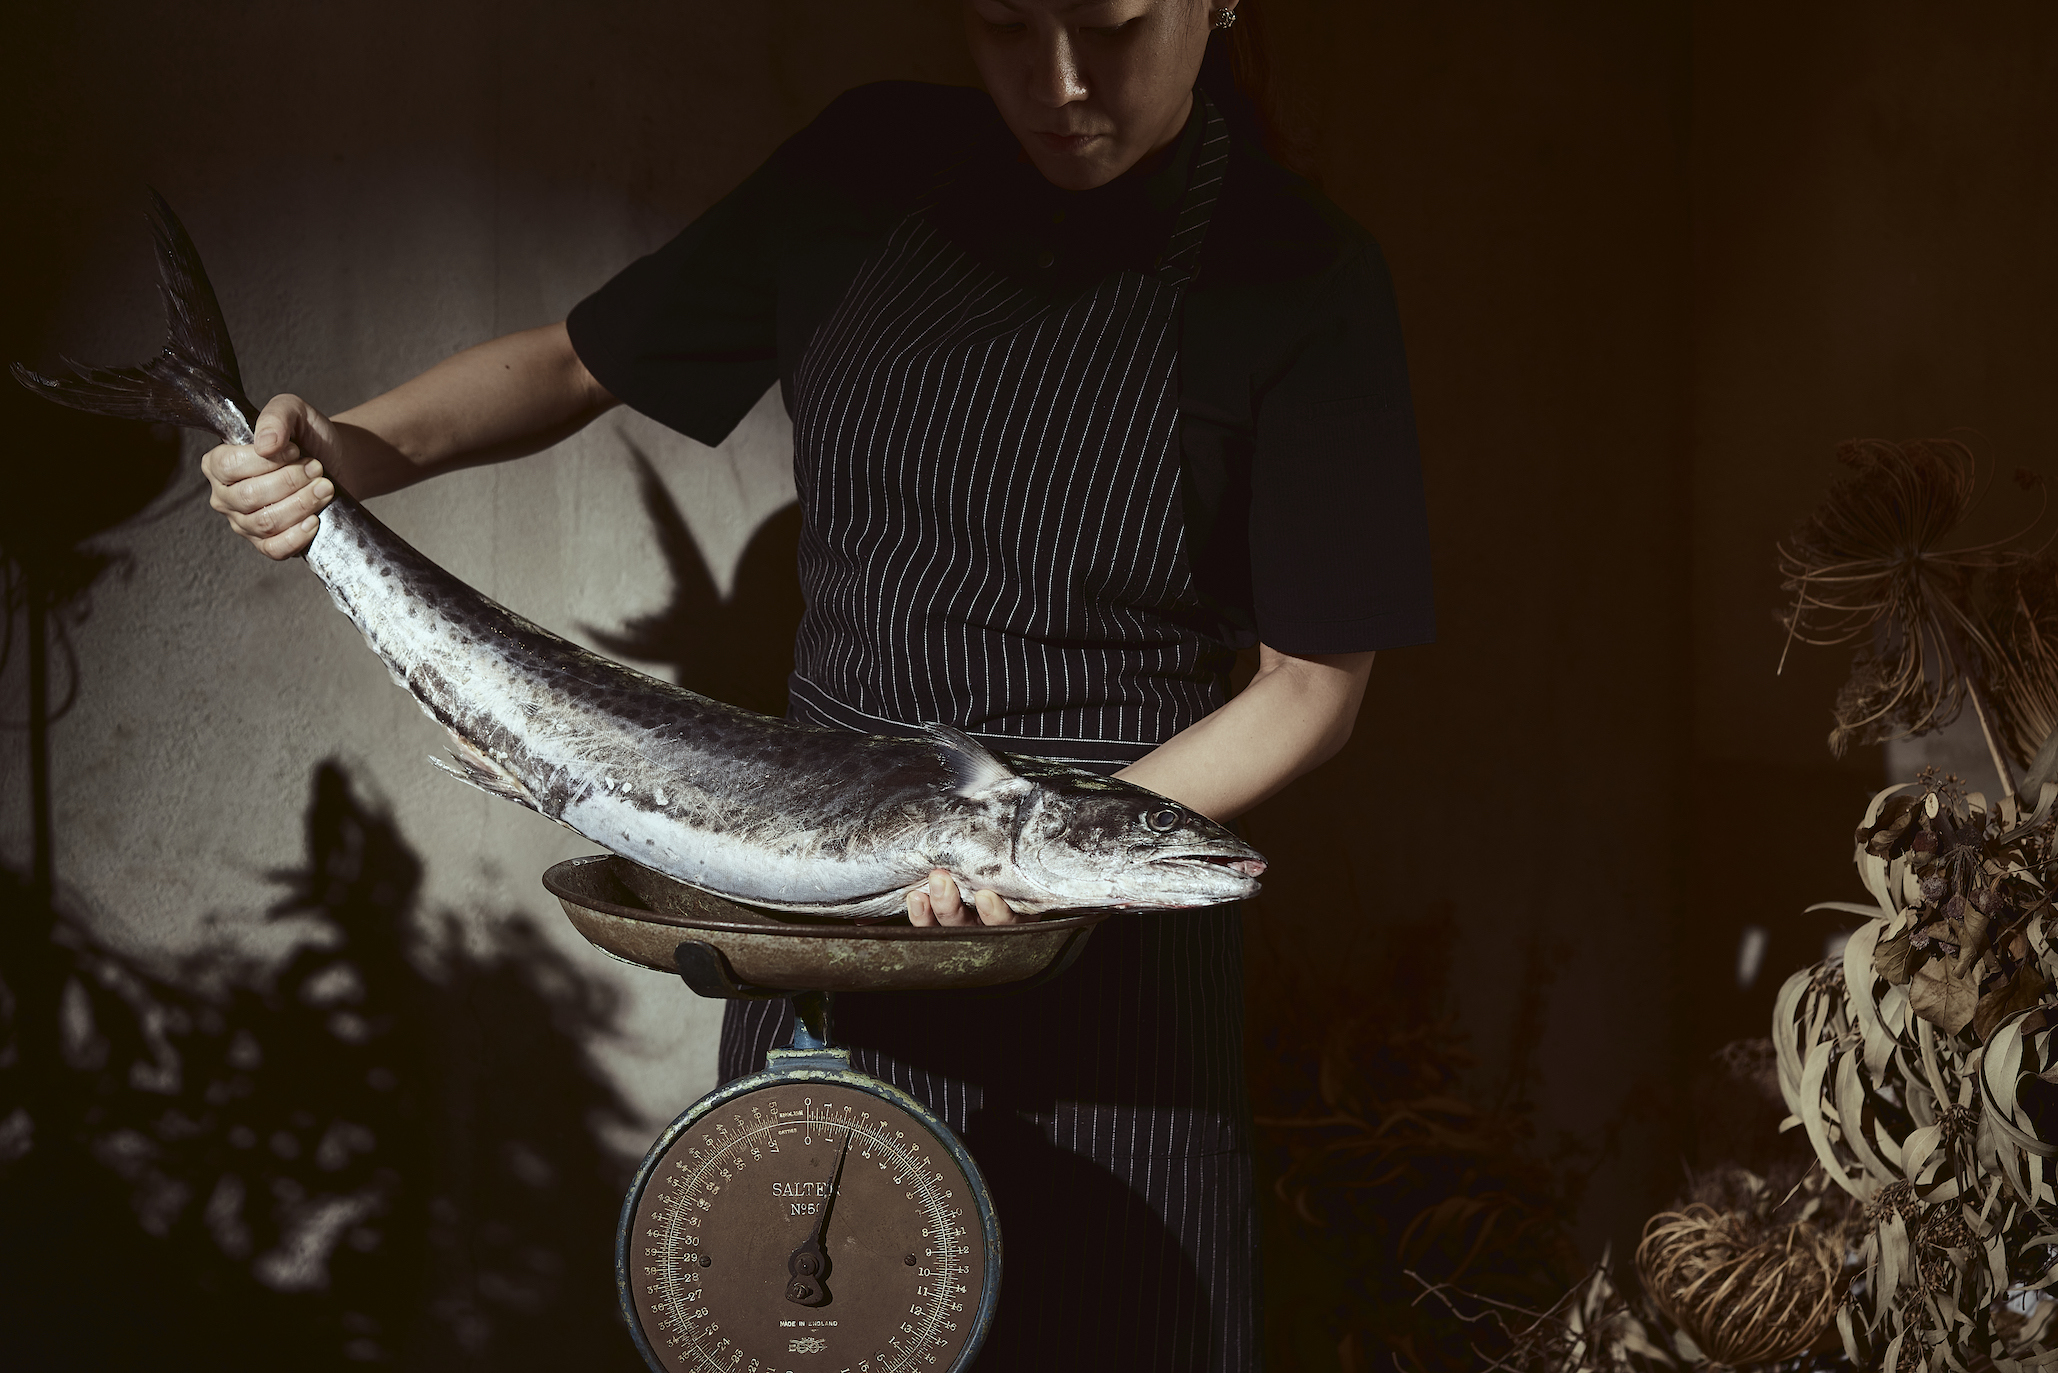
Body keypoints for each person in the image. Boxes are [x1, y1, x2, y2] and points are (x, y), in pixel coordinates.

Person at [200, 2, 1433, 1366]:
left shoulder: (1301, 273)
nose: (1060, 80)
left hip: (1111, 956)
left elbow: (1311, 685)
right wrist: (347, 451)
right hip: (822, 926)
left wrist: (1040, 859)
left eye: (1114, 23)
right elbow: (576, 360)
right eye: (1005, 24)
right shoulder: (870, 167)